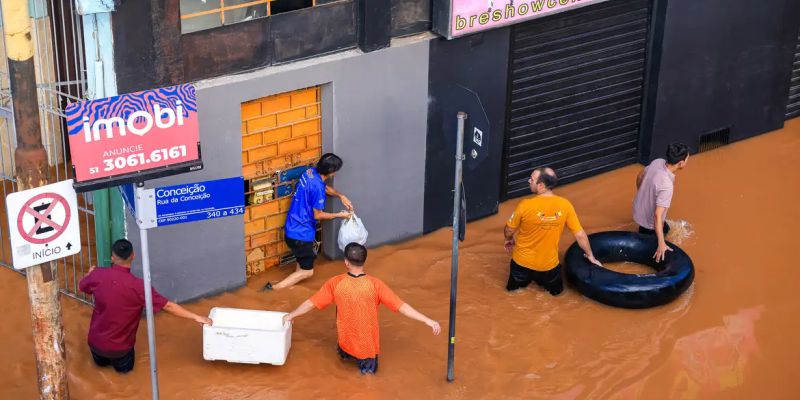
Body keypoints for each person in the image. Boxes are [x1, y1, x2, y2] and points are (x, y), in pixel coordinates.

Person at [283, 243, 440, 374]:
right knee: (367, 383)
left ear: (346, 262)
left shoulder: (335, 283)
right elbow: (401, 306)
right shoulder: (375, 285)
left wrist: (291, 315)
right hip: (367, 349)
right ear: (364, 261)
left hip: (344, 342)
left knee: (342, 366)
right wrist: (427, 320)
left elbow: (311, 303)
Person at [78, 239, 212, 373]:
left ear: (112, 258)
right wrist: (196, 317)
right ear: (133, 256)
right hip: (121, 350)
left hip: (96, 345)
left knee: (100, 372)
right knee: (125, 377)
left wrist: (89, 274)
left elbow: (82, 287)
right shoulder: (139, 287)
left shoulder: (97, 274)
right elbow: (168, 306)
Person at [503, 167, 602, 296]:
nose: (528, 181)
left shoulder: (525, 205)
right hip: (548, 268)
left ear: (541, 185)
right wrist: (590, 256)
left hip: (521, 264)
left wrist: (509, 239)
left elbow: (509, 229)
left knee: (512, 294)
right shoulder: (565, 205)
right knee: (557, 295)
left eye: (531, 179)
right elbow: (579, 234)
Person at [264, 153, 354, 291]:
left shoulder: (310, 173)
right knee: (307, 272)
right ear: (331, 172)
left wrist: (341, 196)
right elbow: (317, 215)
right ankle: (273, 289)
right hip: (301, 235)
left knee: (302, 265)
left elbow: (323, 188)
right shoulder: (317, 187)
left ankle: (291, 286)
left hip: (292, 228)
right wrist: (339, 215)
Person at [633, 142, 690, 262]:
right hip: (649, 224)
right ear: (681, 163)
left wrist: (642, 194)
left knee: (666, 229)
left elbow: (640, 176)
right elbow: (657, 215)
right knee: (656, 251)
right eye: (687, 159)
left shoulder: (657, 161)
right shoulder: (667, 185)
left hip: (637, 210)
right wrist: (661, 243)